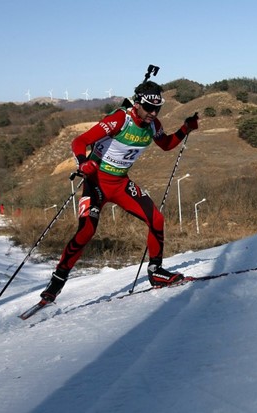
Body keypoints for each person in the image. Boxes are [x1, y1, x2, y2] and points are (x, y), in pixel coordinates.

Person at [40, 80, 199, 302]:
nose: (153, 113)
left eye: (158, 108)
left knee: (157, 219)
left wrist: (185, 128)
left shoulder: (153, 125)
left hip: (120, 184)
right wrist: (82, 162)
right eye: (148, 108)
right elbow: (80, 141)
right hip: (96, 183)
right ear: (137, 104)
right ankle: (56, 282)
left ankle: (156, 272)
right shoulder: (119, 120)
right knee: (86, 231)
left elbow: (166, 144)